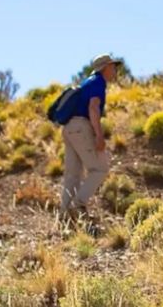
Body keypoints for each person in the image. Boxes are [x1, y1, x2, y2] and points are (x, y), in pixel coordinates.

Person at [60, 53, 121, 219]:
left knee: (73, 174)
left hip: (69, 128)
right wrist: (99, 136)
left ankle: (66, 217)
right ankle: (78, 205)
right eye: (113, 66)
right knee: (100, 169)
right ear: (105, 68)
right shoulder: (98, 83)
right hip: (81, 126)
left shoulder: (87, 82)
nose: (115, 69)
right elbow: (93, 108)